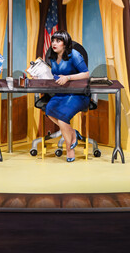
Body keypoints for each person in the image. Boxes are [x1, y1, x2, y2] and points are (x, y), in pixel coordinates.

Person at [44, 30, 90, 162]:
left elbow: (86, 74)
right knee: (49, 110)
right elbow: (55, 75)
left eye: (58, 41)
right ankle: (73, 132)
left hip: (77, 94)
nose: (54, 43)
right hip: (61, 93)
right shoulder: (52, 57)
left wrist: (68, 77)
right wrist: (40, 76)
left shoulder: (74, 55)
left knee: (62, 117)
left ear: (65, 44)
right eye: (53, 41)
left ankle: (70, 149)